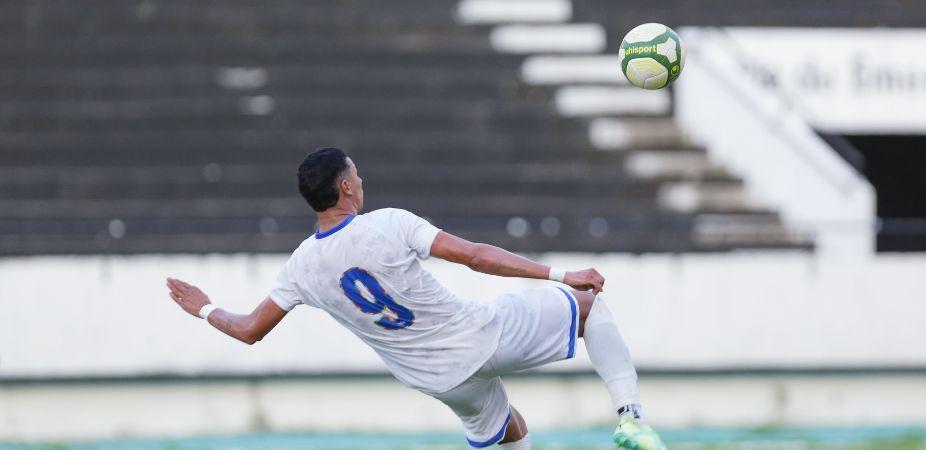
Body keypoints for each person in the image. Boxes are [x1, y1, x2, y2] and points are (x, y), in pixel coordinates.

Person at [166, 147, 667, 450]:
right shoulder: (387, 223)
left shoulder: (300, 267)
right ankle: (633, 419)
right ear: (345, 186)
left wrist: (205, 307)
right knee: (589, 308)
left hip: (436, 381)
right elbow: (475, 256)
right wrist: (562, 274)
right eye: (356, 173)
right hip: (480, 336)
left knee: (509, 429)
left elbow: (250, 329)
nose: (361, 180)